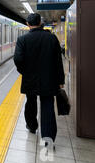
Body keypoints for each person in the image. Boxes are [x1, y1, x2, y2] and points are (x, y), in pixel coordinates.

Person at [13, 13, 65, 150]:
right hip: (49, 79)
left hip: (30, 79)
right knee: (47, 106)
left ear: (28, 24)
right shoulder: (52, 38)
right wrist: (60, 80)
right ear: (41, 23)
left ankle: (32, 126)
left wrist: (24, 71)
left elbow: (18, 59)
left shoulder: (22, 39)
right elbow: (58, 61)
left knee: (30, 102)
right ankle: (48, 141)